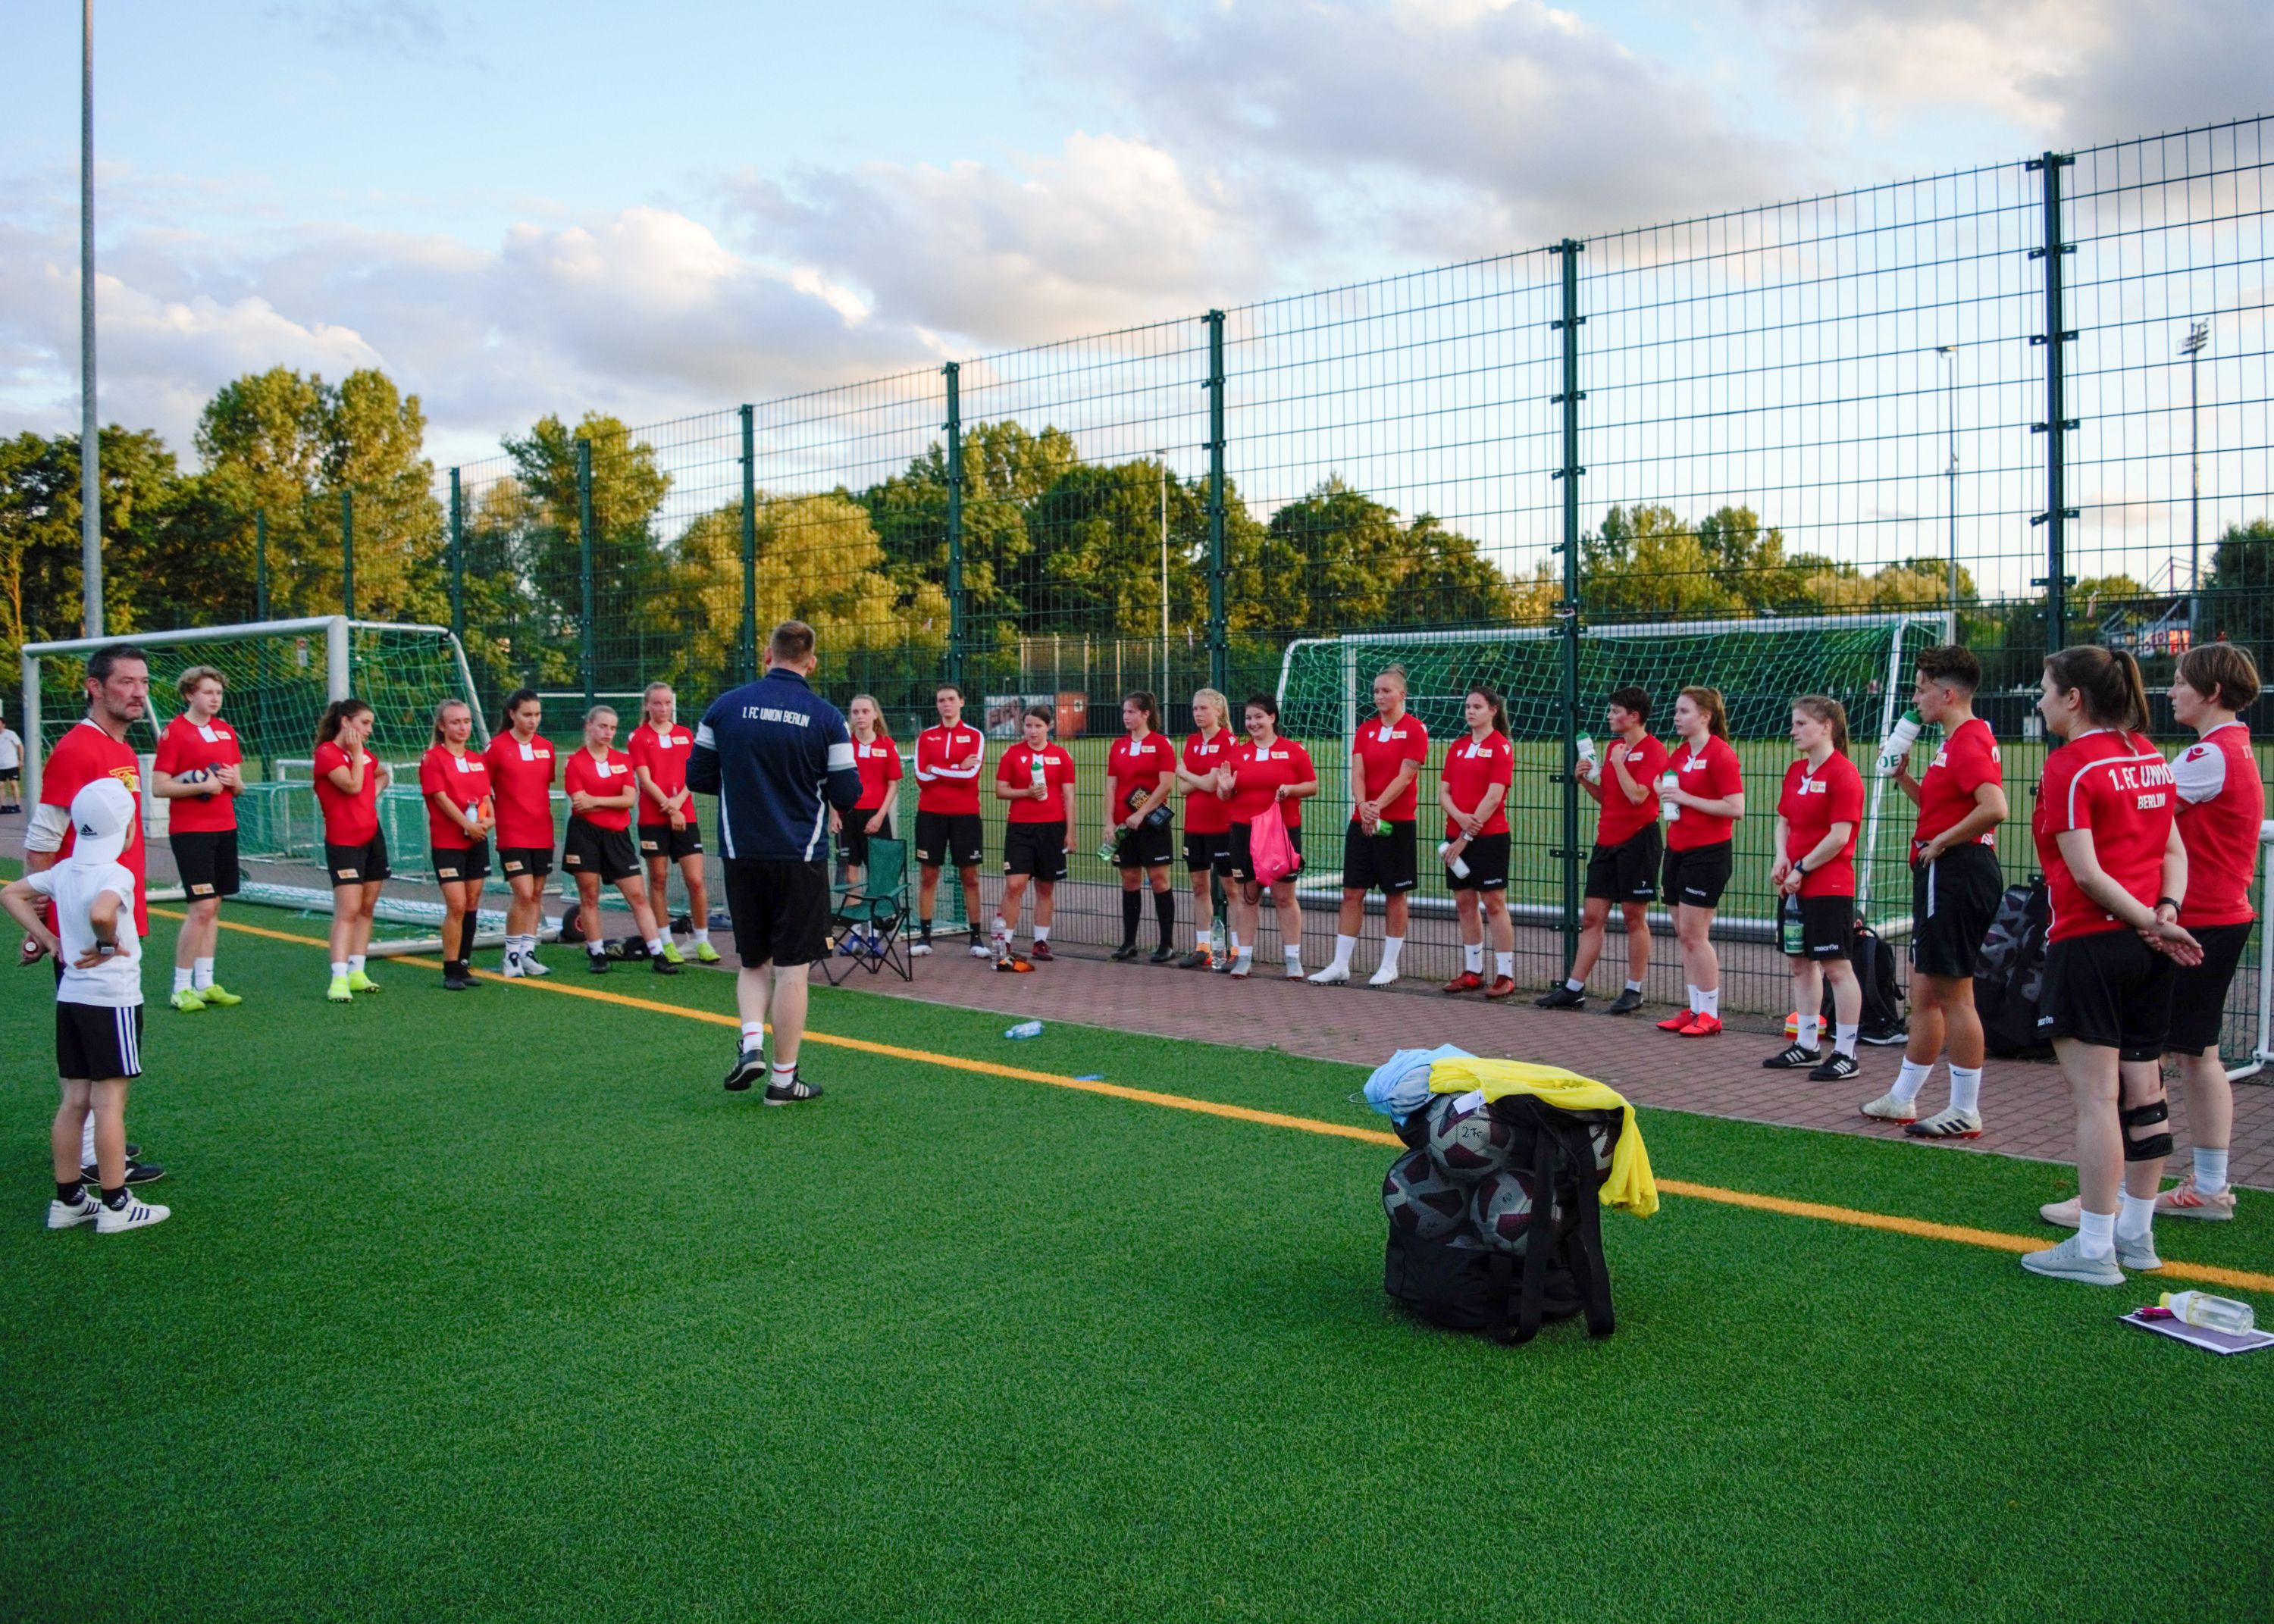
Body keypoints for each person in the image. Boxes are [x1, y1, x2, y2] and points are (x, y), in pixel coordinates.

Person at [2046, 641, 2263, 1230]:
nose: (2172, 691)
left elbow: (2128, 815)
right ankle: (2153, 1209)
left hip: (2178, 921)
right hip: (2184, 914)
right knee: (2185, 1057)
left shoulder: (2199, 757)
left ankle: (2107, 1207)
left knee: (2138, 1075)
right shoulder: (2221, 749)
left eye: (2184, 682)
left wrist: (2153, 914)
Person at [2019, 646, 2200, 1286]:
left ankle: (2094, 1247)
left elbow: (2088, 875)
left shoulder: (2071, 765)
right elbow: (2174, 849)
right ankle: (2137, 1235)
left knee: (2096, 1097)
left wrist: (2151, 920)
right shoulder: (2147, 754)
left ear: (2074, 698)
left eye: (2044, 688)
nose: (2038, 699)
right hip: (2147, 945)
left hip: (2095, 944)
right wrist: (2163, 913)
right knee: (2145, 1092)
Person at [689, 619, 863, 1105]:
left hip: (741, 852)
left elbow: (700, 776)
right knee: (793, 968)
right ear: (811, 661)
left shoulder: (725, 707)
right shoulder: (827, 717)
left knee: (752, 960)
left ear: (767, 655)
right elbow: (848, 792)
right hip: (800, 856)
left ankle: (750, 1044)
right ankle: (783, 1081)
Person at [21, 644, 164, 1188]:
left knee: (96, 1053)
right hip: (90, 931)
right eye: (125, 682)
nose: (137, 691)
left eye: (143, 682)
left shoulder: (119, 749)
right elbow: (42, 840)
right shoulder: (81, 749)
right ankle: (91, 1160)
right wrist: (44, 924)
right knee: (99, 1057)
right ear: (94, 687)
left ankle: (92, 1146)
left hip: (111, 921)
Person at [3, 779, 168, 1232]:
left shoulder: (64, 869)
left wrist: (49, 940)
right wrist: (107, 943)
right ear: (127, 827)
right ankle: (116, 1205)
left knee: (74, 1100)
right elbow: (102, 911)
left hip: (71, 997)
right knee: (109, 1101)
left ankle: (69, 1200)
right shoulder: (117, 873)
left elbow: (10, 894)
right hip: (111, 1000)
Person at [1862, 646, 2006, 1135]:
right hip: (1946, 869)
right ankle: (1903, 1098)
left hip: (1956, 871)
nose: (1916, 698)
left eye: (1922, 688)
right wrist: (1904, 776)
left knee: (1954, 993)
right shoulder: (1961, 739)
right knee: (1925, 991)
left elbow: (1994, 807)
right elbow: (1942, 807)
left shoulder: (1966, 741)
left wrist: (1943, 840)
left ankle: (1966, 1109)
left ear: (1946, 694)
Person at [1538, 686, 1665, 1013]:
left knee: (1634, 916)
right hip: (1606, 840)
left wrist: (1621, 764)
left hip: (1639, 840)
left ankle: (1634, 989)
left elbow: (1639, 796)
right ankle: (1574, 988)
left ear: (1634, 716)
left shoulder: (1654, 750)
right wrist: (1584, 781)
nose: (1609, 717)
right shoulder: (1613, 749)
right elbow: (1610, 798)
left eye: (1615, 711)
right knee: (1593, 917)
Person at [1762, 696, 1867, 1081]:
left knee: (1837, 968)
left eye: (1801, 723)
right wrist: (1781, 858)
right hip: (1794, 886)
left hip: (1830, 886)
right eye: (1794, 723)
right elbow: (1784, 822)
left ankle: (1846, 1054)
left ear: (1826, 727)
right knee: (1799, 964)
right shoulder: (1795, 771)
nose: (1793, 731)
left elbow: (1840, 836)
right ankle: (1807, 1044)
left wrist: (1803, 866)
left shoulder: (1844, 774)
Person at [1313, 668, 1429, 987]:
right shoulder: (1365, 730)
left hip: (1397, 823)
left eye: (1386, 691)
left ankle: (1389, 966)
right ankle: (1340, 965)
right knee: (1352, 892)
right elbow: (1358, 772)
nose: (1379, 696)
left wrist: (1378, 806)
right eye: (1376, 691)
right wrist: (1363, 805)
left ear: (1402, 694)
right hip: (1361, 821)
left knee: (1395, 894)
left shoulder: (1415, 730)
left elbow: (1407, 775)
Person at [152, 664, 246, 1012]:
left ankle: (205, 983)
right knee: (202, 907)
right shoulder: (175, 733)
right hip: (191, 831)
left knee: (215, 906)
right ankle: (181, 987)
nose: (215, 698)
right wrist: (201, 786)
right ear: (190, 694)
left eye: (219, 693)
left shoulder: (225, 731)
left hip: (225, 826)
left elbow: (238, 785)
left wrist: (231, 783)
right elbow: (159, 786)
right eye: (208, 692)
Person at [1655, 685, 1746, 1037]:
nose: (1677, 717)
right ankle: (1694, 1008)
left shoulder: (1721, 754)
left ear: (1705, 716)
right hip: (1676, 849)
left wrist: (1686, 797)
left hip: (1708, 853)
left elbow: (1735, 808)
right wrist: (1660, 787)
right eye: (1676, 711)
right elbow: (1669, 791)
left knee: (1696, 934)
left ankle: (1710, 1013)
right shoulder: (1679, 754)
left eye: (1684, 711)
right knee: (1683, 934)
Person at [562, 706, 679, 976]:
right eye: (602, 726)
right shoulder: (575, 761)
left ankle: (658, 954)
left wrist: (596, 801)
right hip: (584, 834)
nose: (608, 732)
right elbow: (579, 804)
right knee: (589, 897)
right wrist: (602, 803)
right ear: (589, 726)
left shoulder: (622, 760)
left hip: (618, 836)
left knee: (638, 896)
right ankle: (598, 953)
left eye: (613, 728)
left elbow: (629, 799)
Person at [1217, 693, 1317, 979]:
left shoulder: (1294, 751)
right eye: (1248, 718)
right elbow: (1224, 795)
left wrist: (1290, 790)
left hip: (1280, 832)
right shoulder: (1237, 754)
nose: (1253, 723)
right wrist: (1224, 789)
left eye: (1259, 717)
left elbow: (1312, 785)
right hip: (1244, 832)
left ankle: (1293, 960)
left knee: (1285, 897)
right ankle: (1244, 958)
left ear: (1272, 717)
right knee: (1248, 896)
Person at [630, 681, 719, 966]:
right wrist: (670, 810)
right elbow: (645, 781)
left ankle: (701, 940)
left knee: (695, 880)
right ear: (647, 705)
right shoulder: (639, 737)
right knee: (658, 880)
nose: (663, 708)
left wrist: (678, 804)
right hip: (654, 818)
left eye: (668, 703)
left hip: (685, 815)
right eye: (657, 703)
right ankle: (666, 942)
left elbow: (692, 775)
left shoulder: (685, 735)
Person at [1438, 684, 1517, 1000]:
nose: (1470, 711)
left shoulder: (1501, 747)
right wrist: (1459, 820)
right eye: (1468, 706)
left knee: (1494, 903)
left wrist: (1468, 834)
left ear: (1493, 711)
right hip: (1456, 835)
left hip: (1489, 836)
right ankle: (1473, 972)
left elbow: (1495, 795)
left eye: (1477, 707)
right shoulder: (1456, 747)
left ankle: (1506, 975)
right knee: (1464, 903)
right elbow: (1443, 793)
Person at [312, 697, 391, 1003]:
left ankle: (358, 970)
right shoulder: (327, 754)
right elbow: (353, 786)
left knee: (367, 908)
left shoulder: (366, 756)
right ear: (346, 722)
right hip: (344, 842)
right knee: (347, 911)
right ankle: (339, 977)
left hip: (373, 838)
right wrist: (357, 754)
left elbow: (380, 775)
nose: (369, 730)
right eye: (364, 723)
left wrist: (374, 792)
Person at [992, 703, 1078, 968]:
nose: (1032, 731)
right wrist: (1026, 793)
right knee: (1015, 885)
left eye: (1038, 726)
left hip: (1052, 828)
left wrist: (1070, 832)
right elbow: (1000, 790)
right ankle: (1004, 942)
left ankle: (1040, 942)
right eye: (1028, 725)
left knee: (1045, 886)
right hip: (1020, 827)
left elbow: (1069, 796)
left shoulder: (1061, 756)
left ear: (1049, 727)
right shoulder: (1012, 754)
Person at [419, 698, 493, 991]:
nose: (462, 727)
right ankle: (450, 967)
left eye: (466, 721)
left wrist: (487, 822)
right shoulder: (433, 758)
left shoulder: (477, 760)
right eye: (455, 722)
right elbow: (441, 798)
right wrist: (468, 826)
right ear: (442, 726)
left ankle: (463, 964)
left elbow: (486, 800)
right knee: (457, 904)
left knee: (473, 902)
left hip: (477, 839)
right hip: (449, 842)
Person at [910, 682, 989, 959]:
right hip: (930, 815)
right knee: (929, 875)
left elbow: (970, 776)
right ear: (937, 705)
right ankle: (924, 936)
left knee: (970, 877)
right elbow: (921, 777)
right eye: (941, 700)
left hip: (965, 815)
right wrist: (956, 768)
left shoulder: (975, 736)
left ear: (962, 702)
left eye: (951, 699)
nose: (946, 704)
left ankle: (977, 939)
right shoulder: (926, 737)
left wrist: (940, 770)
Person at [484, 688, 558, 978]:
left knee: (537, 893)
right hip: (512, 832)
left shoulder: (547, 747)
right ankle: (511, 956)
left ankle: (528, 953)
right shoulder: (497, 747)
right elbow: (483, 788)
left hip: (542, 830)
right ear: (512, 714)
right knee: (524, 894)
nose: (533, 720)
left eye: (537, 715)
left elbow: (543, 786)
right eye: (527, 714)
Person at [1106, 690, 1179, 963]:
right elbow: (1111, 786)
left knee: (1159, 880)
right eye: (1124, 711)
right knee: (1130, 880)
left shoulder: (1161, 745)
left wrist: (1142, 813)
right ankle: (1129, 942)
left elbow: (1166, 785)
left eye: (1131, 712)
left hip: (1152, 825)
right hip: (1125, 826)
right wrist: (1109, 822)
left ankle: (1166, 944)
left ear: (1146, 714)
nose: (1126, 717)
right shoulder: (1118, 746)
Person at [1173, 688, 1237, 969]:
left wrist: (1185, 773)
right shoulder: (1191, 741)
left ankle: (1237, 949)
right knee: (1199, 887)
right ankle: (1203, 948)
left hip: (1222, 826)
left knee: (1231, 888)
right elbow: (1185, 788)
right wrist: (1193, 779)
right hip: (1194, 826)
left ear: (1218, 712)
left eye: (1203, 709)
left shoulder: (1229, 742)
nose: (1198, 714)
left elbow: (1211, 785)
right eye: (1195, 709)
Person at [834, 692, 902, 905]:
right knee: (850, 873)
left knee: (880, 872)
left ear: (875, 715)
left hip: (876, 816)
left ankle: (879, 923)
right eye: (855, 712)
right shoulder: (844, 745)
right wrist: (833, 814)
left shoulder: (887, 745)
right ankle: (855, 929)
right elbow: (833, 781)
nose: (860, 716)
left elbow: (893, 785)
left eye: (865, 711)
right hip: (848, 815)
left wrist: (880, 816)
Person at [0, 703, 23, 811]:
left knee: (13, 784)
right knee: (1, 786)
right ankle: (3, 806)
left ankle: (17, 805)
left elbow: (20, 746)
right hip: (1, 765)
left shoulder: (10, 734)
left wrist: (20, 760)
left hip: (11, 764)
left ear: (4, 725)